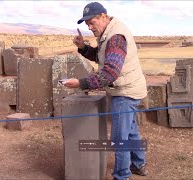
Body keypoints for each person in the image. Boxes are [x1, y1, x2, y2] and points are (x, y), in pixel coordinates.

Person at [63, 2, 148, 180]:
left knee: (119, 139)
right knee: (130, 130)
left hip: (125, 92)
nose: (90, 27)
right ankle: (139, 164)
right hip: (130, 88)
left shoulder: (116, 37)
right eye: (87, 25)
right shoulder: (108, 33)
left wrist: (81, 83)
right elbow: (101, 57)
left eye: (92, 23)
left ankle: (121, 176)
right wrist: (83, 47)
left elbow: (110, 72)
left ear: (103, 16)